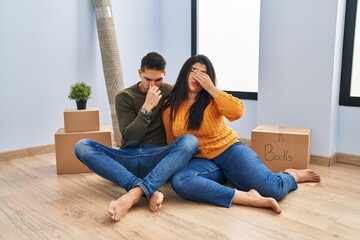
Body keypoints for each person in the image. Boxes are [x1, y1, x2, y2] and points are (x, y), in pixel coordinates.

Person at [162, 54, 321, 213]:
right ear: (185, 73)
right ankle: (245, 197)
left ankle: (292, 175)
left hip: (229, 151)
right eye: (193, 71)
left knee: (274, 190)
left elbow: (237, 112)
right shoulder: (171, 105)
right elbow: (173, 142)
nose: (197, 76)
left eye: (203, 73)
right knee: (180, 181)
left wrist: (211, 88)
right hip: (201, 161)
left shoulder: (213, 98)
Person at [74, 52, 198, 222]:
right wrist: (147, 107)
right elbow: (131, 138)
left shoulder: (170, 91)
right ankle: (147, 189)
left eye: (158, 80)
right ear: (140, 73)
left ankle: (134, 194)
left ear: (165, 75)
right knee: (82, 146)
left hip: (156, 157)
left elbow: (196, 99)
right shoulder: (124, 97)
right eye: (148, 79)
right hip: (127, 157)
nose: (152, 85)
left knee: (190, 141)